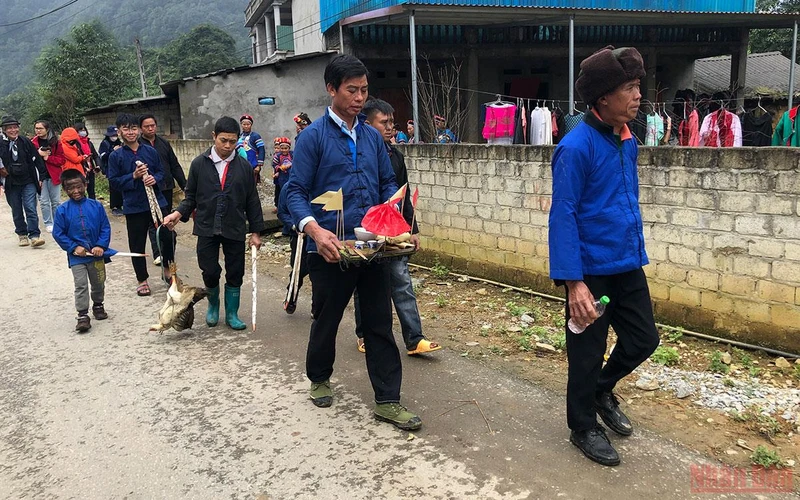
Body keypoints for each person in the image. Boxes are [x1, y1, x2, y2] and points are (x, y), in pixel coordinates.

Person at [286, 54, 422, 431]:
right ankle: (319, 377)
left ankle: (388, 400)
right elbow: (294, 191)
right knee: (327, 318)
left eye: (364, 90)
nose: (360, 98)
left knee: (378, 323)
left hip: (372, 248)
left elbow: (386, 186)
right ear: (331, 89)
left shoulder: (372, 137)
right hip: (330, 248)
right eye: (352, 90)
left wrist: (398, 226)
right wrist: (316, 231)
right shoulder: (312, 138)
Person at [548, 46, 659, 467]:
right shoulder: (576, 147)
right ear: (603, 98)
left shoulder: (627, 139)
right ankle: (583, 427)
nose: (638, 95)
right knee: (586, 354)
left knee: (644, 340)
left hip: (627, 263)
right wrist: (573, 282)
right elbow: (563, 215)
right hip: (590, 273)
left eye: (638, 86)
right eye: (629, 87)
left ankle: (600, 390)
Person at [353, 99, 440, 356]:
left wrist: (412, 230)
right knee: (365, 285)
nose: (390, 127)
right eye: (384, 122)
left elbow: (404, 194)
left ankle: (415, 339)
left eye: (392, 122)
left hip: (392, 228)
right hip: (366, 228)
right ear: (367, 125)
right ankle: (364, 334)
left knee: (402, 282)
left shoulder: (396, 156)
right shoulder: (356, 155)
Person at [162, 116, 264, 331]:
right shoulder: (199, 164)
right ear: (214, 136)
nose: (227, 146)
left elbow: (252, 201)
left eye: (232, 141)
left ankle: (232, 313)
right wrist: (177, 213)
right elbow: (190, 197)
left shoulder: (244, 167)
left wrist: (256, 232)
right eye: (223, 140)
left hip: (234, 226)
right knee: (209, 270)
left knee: (235, 270)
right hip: (206, 225)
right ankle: (213, 306)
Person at [107, 113, 175, 296]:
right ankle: (142, 279)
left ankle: (169, 272)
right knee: (137, 243)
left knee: (167, 238)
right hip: (134, 206)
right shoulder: (116, 156)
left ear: (138, 130)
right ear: (119, 131)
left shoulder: (150, 151)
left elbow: (161, 172)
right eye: (126, 129)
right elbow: (114, 182)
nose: (131, 132)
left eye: (133, 128)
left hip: (157, 203)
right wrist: (133, 176)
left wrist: (155, 179)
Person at [52, 169, 110, 333]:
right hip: (77, 258)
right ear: (65, 190)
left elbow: (105, 228)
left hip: (96, 256)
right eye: (70, 188)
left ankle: (98, 305)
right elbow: (58, 233)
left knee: (98, 282)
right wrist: (73, 247)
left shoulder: (96, 206)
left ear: (85, 185)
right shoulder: (62, 210)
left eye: (79, 187)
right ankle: (82, 315)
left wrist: (100, 246)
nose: (76, 191)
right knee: (81, 285)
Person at [139, 114, 186, 266]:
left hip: (166, 187)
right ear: (141, 128)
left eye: (152, 125)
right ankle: (158, 253)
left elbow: (175, 165)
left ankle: (167, 250)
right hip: (149, 190)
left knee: (166, 219)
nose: (150, 128)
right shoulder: (138, 146)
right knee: (153, 221)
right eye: (146, 126)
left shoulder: (164, 143)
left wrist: (185, 186)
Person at [0, 116, 46, 247]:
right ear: (4, 130)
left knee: (30, 207)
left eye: (15, 127)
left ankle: (34, 235)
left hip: (28, 180)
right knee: (16, 209)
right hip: (11, 182)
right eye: (9, 128)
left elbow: (37, 159)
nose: (13, 130)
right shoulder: (1, 143)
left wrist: (41, 177)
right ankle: (22, 234)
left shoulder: (25, 141)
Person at [32, 120, 65, 233]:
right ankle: (48, 223)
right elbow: (29, 159)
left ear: (47, 129)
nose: (38, 130)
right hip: (40, 176)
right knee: (44, 201)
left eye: (40, 128)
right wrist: (38, 154)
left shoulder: (55, 142)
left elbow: (62, 160)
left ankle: (58, 222)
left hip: (54, 175)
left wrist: (48, 158)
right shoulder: (32, 143)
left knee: (56, 201)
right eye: (36, 128)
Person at [98, 126, 123, 215]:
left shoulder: (119, 142)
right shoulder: (104, 143)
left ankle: (121, 205)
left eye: (115, 135)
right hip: (110, 168)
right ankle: (114, 206)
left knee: (121, 187)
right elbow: (102, 156)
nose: (114, 137)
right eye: (112, 135)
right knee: (113, 188)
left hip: (120, 168)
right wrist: (113, 150)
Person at [72, 122, 99, 199]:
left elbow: (95, 155)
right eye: (80, 130)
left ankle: (92, 204)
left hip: (91, 169)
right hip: (81, 170)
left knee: (91, 190)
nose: (83, 132)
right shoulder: (74, 144)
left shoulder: (89, 143)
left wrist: (98, 165)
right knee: (81, 191)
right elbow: (75, 158)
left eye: (84, 130)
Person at [237, 114, 265, 183]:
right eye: (244, 124)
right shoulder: (239, 136)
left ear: (251, 125)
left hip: (253, 166)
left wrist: (259, 166)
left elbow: (261, 150)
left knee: (251, 185)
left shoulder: (255, 136)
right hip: (240, 166)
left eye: (248, 124)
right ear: (241, 125)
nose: (246, 126)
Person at [271, 137, 292, 214]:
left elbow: (296, 161)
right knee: (279, 192)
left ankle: (289, 207)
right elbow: (274, 164)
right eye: (282, 148)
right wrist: (279, 168)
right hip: (281, 178)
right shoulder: (277, 156)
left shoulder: (292, 154)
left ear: (289, 148)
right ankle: (279, 207)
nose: (284, 150)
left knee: (290, 191)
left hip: (290, 177)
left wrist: (290, 165)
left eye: (286, 148)